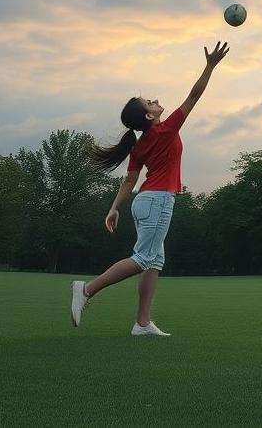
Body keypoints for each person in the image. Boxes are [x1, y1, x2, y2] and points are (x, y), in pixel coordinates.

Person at [70, 40, 230, 336]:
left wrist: (114, 208)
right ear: (149, 116)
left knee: (154, 260)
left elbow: (129, 181)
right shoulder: (164, 130)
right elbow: (194, 95)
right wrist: (210, 66)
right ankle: (87, 289)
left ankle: (142, 324)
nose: (155, 101)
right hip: (157, 201)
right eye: (150, 103)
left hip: (144, 201)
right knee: (144, 258)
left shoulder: (141, 144)